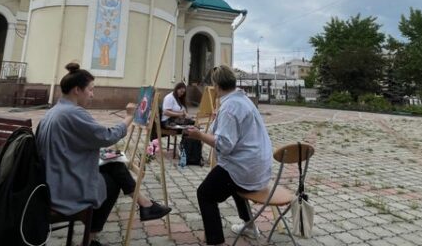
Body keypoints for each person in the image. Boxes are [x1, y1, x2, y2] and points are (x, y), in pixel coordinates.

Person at [36, 62, 171, 246]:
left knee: (114, 165)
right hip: (63, 187)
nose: (92, 94)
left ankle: (145, 205)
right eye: (91, 90)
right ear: (77, 90)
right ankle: (90, 239)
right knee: (114, 182)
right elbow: (107, 136)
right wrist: (129, 116)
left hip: (53, 178)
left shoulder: (55, 111)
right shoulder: (72, 113)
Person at [185, 65, 272, 246]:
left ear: (216, 86)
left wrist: (199, 136)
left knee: (205, 193)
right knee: (228, 182)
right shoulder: (242, 99)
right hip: (260, 167)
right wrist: (218, 119)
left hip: (245, 168)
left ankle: (215, 240)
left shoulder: (230, 107)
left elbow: (224, 146)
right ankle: (249, 226)